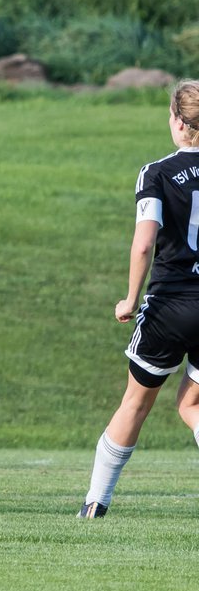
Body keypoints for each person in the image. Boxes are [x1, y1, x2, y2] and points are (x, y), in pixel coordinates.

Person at [80, 79, 199, 518]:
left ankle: (96, 503)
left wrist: (130, 299)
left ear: (178, 121)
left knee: (136, 402)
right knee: (192, 403)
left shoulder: (157, 172)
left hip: (169, 307)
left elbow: (144, 244)